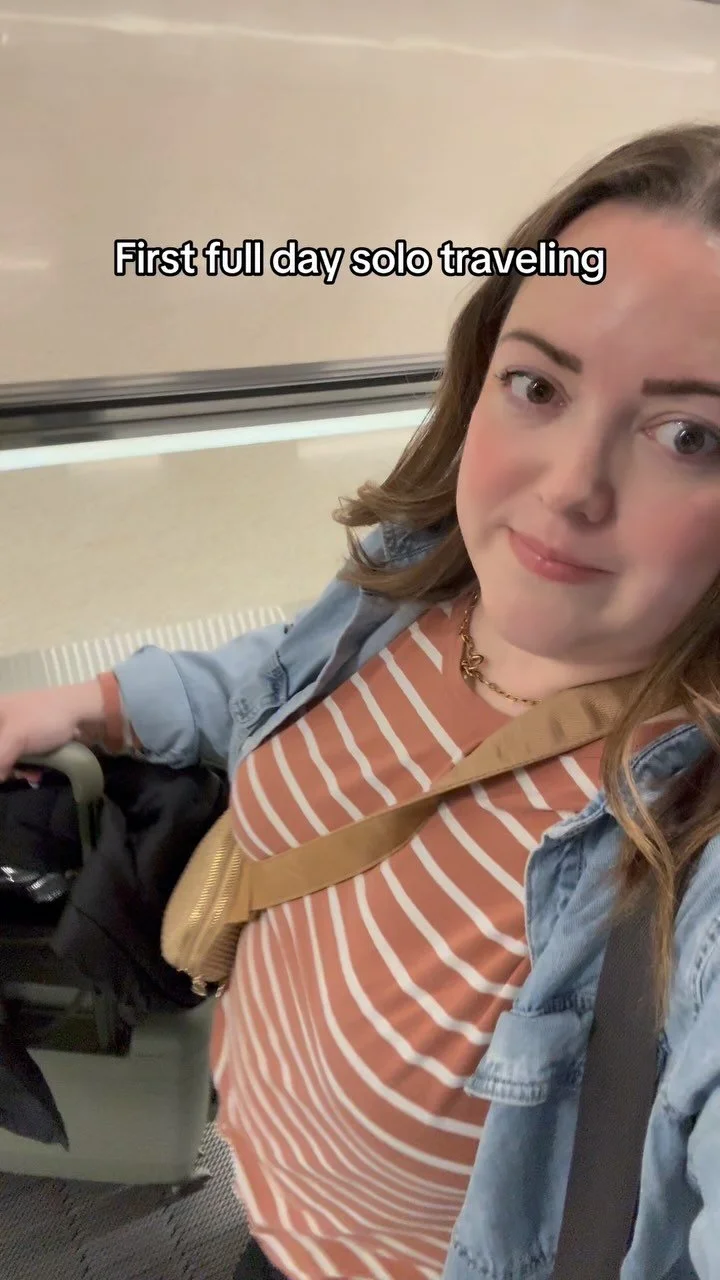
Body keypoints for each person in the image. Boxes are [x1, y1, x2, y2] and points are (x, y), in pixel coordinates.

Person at [3, 121, 720, 1280]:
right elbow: (274, 672)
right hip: (270, 1209)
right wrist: (89, 702)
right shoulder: (420, 581)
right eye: (538, 384)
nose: (567, 490)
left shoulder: (688, 838)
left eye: (689, 435)